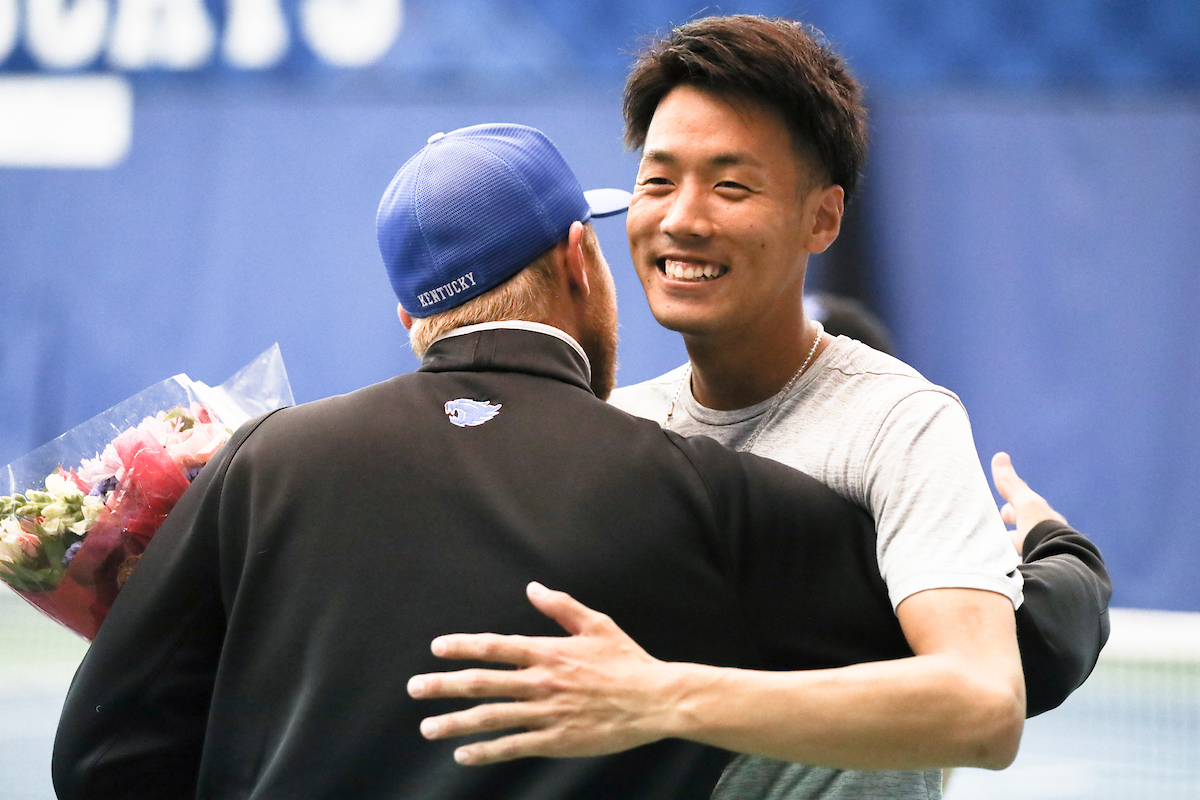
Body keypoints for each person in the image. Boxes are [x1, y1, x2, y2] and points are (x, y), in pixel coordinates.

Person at [52, 123, 1019, 800]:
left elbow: (102, 756)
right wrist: (1055, 561)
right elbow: (985, 671)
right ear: (577, 260)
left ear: (411, 317)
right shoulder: (702, 488)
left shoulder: (265, 465)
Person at [406, 16, 1110, 800]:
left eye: (731, 185)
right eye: (658, 181)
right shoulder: (615, 423)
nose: (682, 219)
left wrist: (658, 696)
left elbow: (985, 708)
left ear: (823, 218)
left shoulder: (900, 424)